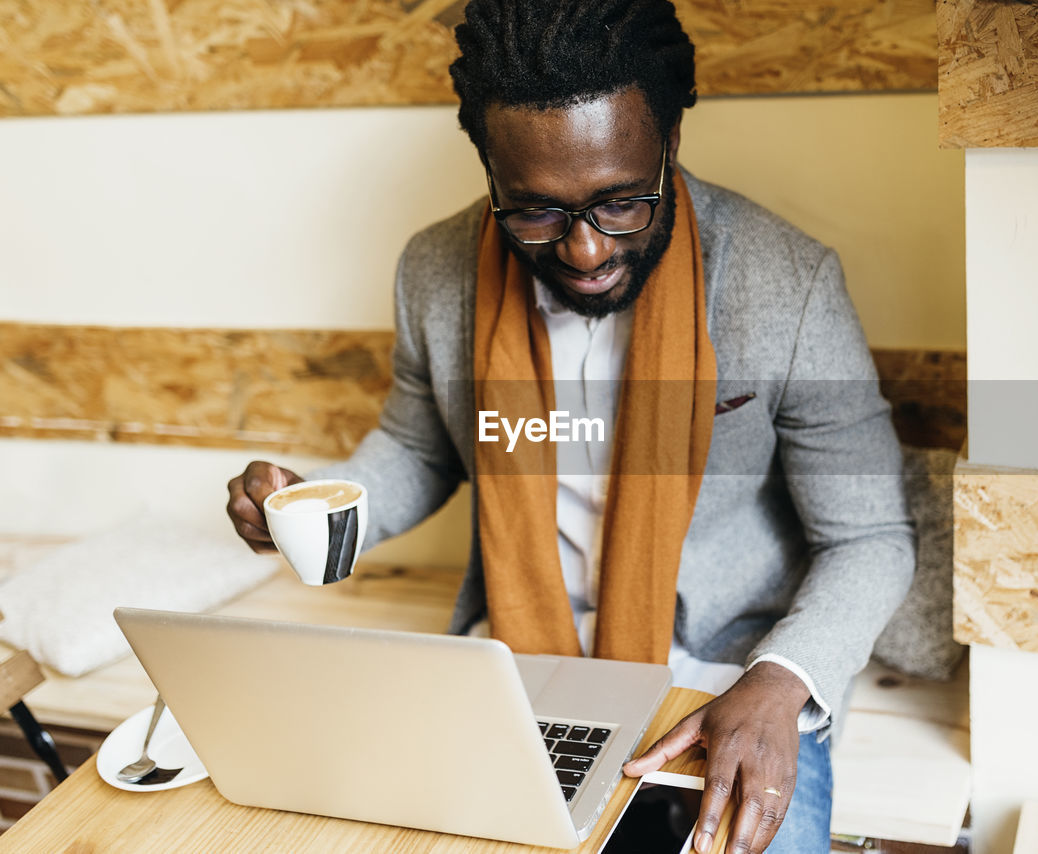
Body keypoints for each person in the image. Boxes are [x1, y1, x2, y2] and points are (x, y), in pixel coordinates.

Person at [226, 1, 915, 851]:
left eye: (622, 202)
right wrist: (322, 507)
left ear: (671, 142)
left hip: (727, 686)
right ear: (490, 173)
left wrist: (780, 679)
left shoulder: (789, 286)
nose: (585, 253)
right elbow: (416, 446)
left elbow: (873, 537)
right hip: (518, 677)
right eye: (537, 212)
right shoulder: (435, 272)